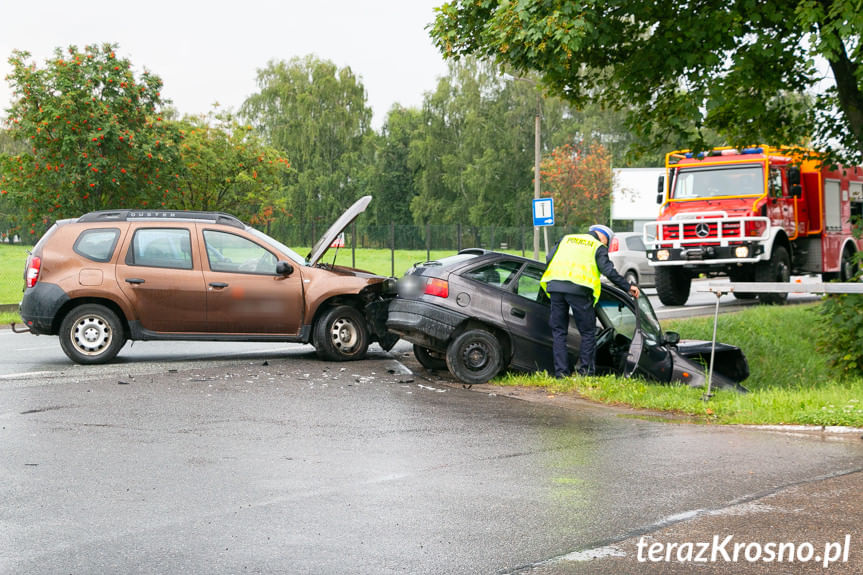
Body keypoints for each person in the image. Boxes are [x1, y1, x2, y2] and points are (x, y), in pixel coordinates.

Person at [540, 224, 640, 378]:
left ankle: (561, 374)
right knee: (588, 333)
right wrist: (628, 287)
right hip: (579, 291)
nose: (606, 245)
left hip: (555, 288)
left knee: (559, 333)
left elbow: (548, 258)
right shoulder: (597, 246)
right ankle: (585, 373)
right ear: (603, 236)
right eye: (607, 242)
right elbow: (608, 272)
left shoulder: (566, 239)